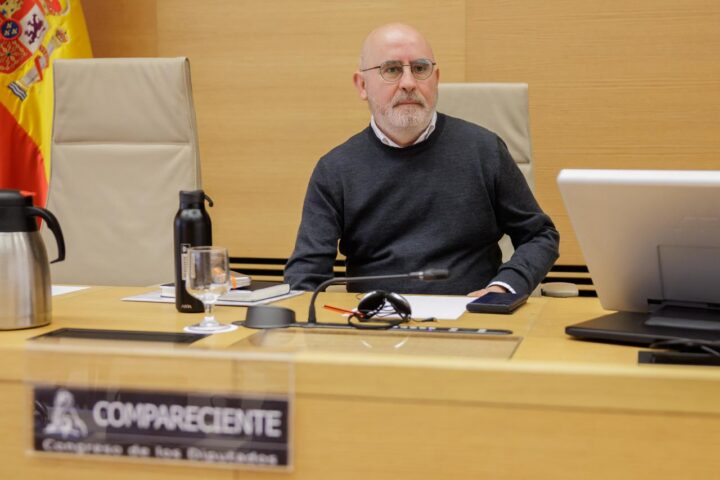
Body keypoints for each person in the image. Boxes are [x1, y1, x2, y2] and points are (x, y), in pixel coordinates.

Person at [284, 23, 559, 296]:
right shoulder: (335, 170)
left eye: (419, 68)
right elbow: (306, 275)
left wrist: (504, 287)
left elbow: (540, 235)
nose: (408, 83)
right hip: (374, 318)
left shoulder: (485, 150)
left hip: (472, 314)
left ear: (435, 78)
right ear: (362, 85)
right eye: (391, 70)